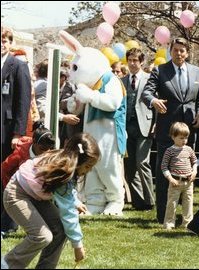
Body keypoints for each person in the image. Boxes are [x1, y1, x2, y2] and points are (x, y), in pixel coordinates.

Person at [2, 132, 100, 269]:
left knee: (59, 230)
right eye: (88, 166)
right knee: (42, 236)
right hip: (16, 194)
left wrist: (75, 201)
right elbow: (68, 213)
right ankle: (7, 264)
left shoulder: (66, 161)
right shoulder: (63, 169)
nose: (88, 171)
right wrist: (78, 245)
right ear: (78, 160)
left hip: (34, 195)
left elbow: (65, 193)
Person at [141, 37, 199, 224]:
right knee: (164, 173)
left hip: (189, 131)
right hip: (166, 130)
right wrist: (153, 101)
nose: (179, 53)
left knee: (187, 173)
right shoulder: (160, 71)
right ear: (171, 51)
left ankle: (186, 217)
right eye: (176, 50)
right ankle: (163, 216)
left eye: (182, 50)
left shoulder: (197, 72)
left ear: (187, 52)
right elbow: (147, 93)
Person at [1, 121, 55, 237]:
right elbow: (4, 169)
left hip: (39, 192)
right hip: (18, 189)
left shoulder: (51, 154)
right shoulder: (21, 152)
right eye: (42, 149)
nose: (46, 153)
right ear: (33, 142)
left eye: (50, 149)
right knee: (10, 228)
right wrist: (7, 187)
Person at [122, 48, 155, 211]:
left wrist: (155, 123)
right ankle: (138, 201)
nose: (133, 63)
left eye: (136, 60)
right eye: (130, 60)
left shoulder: (149, 79)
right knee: (129, 165)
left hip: (145, 125)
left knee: (142, 162)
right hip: (127, 127)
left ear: (141, 62)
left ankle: (149, 200)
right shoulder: (122, 80)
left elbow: (156, 102)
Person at [1, 28, 32, 162]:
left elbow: (23, 101)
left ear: (10, 43)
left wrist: (18, 133)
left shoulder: (19, 66)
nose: (1, 45)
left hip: (6, 129)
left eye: (4, 41)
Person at [161, 122, 197, 230]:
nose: (184, 141)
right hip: (175, 182)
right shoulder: (170, 151)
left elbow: (195, 161)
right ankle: (169, 223)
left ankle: (187, 223)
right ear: (173, 137)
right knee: (172, 204)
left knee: (188, 203)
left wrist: (194, 172)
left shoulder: (189, 149)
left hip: (188, 182)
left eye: (186, 138)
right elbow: (164, 166)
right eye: (181, 138)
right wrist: (170, 178)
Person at [58, 68, 83, 148]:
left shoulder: (70, 86)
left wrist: (71, 102)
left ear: (63, 78)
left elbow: (64, 103)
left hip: (71, 119)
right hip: (65, 119)